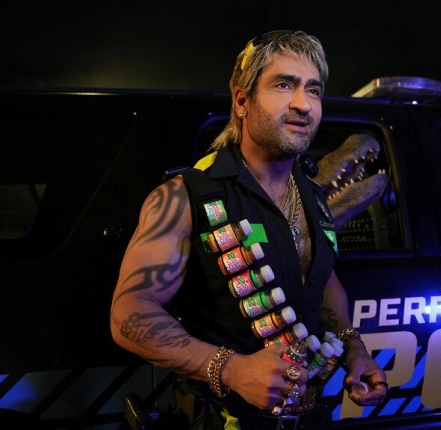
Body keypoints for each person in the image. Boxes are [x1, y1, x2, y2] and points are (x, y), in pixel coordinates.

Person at [110, 30, 388, 429]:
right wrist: (231, 368)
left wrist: (353, 349)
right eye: (283, 85)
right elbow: (128, 314)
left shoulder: (312, 196)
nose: (303, 103)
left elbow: (323, 281)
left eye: (313, 90)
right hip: (225, 419)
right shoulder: (184, 196)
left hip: (313, 417)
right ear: (242, 101)